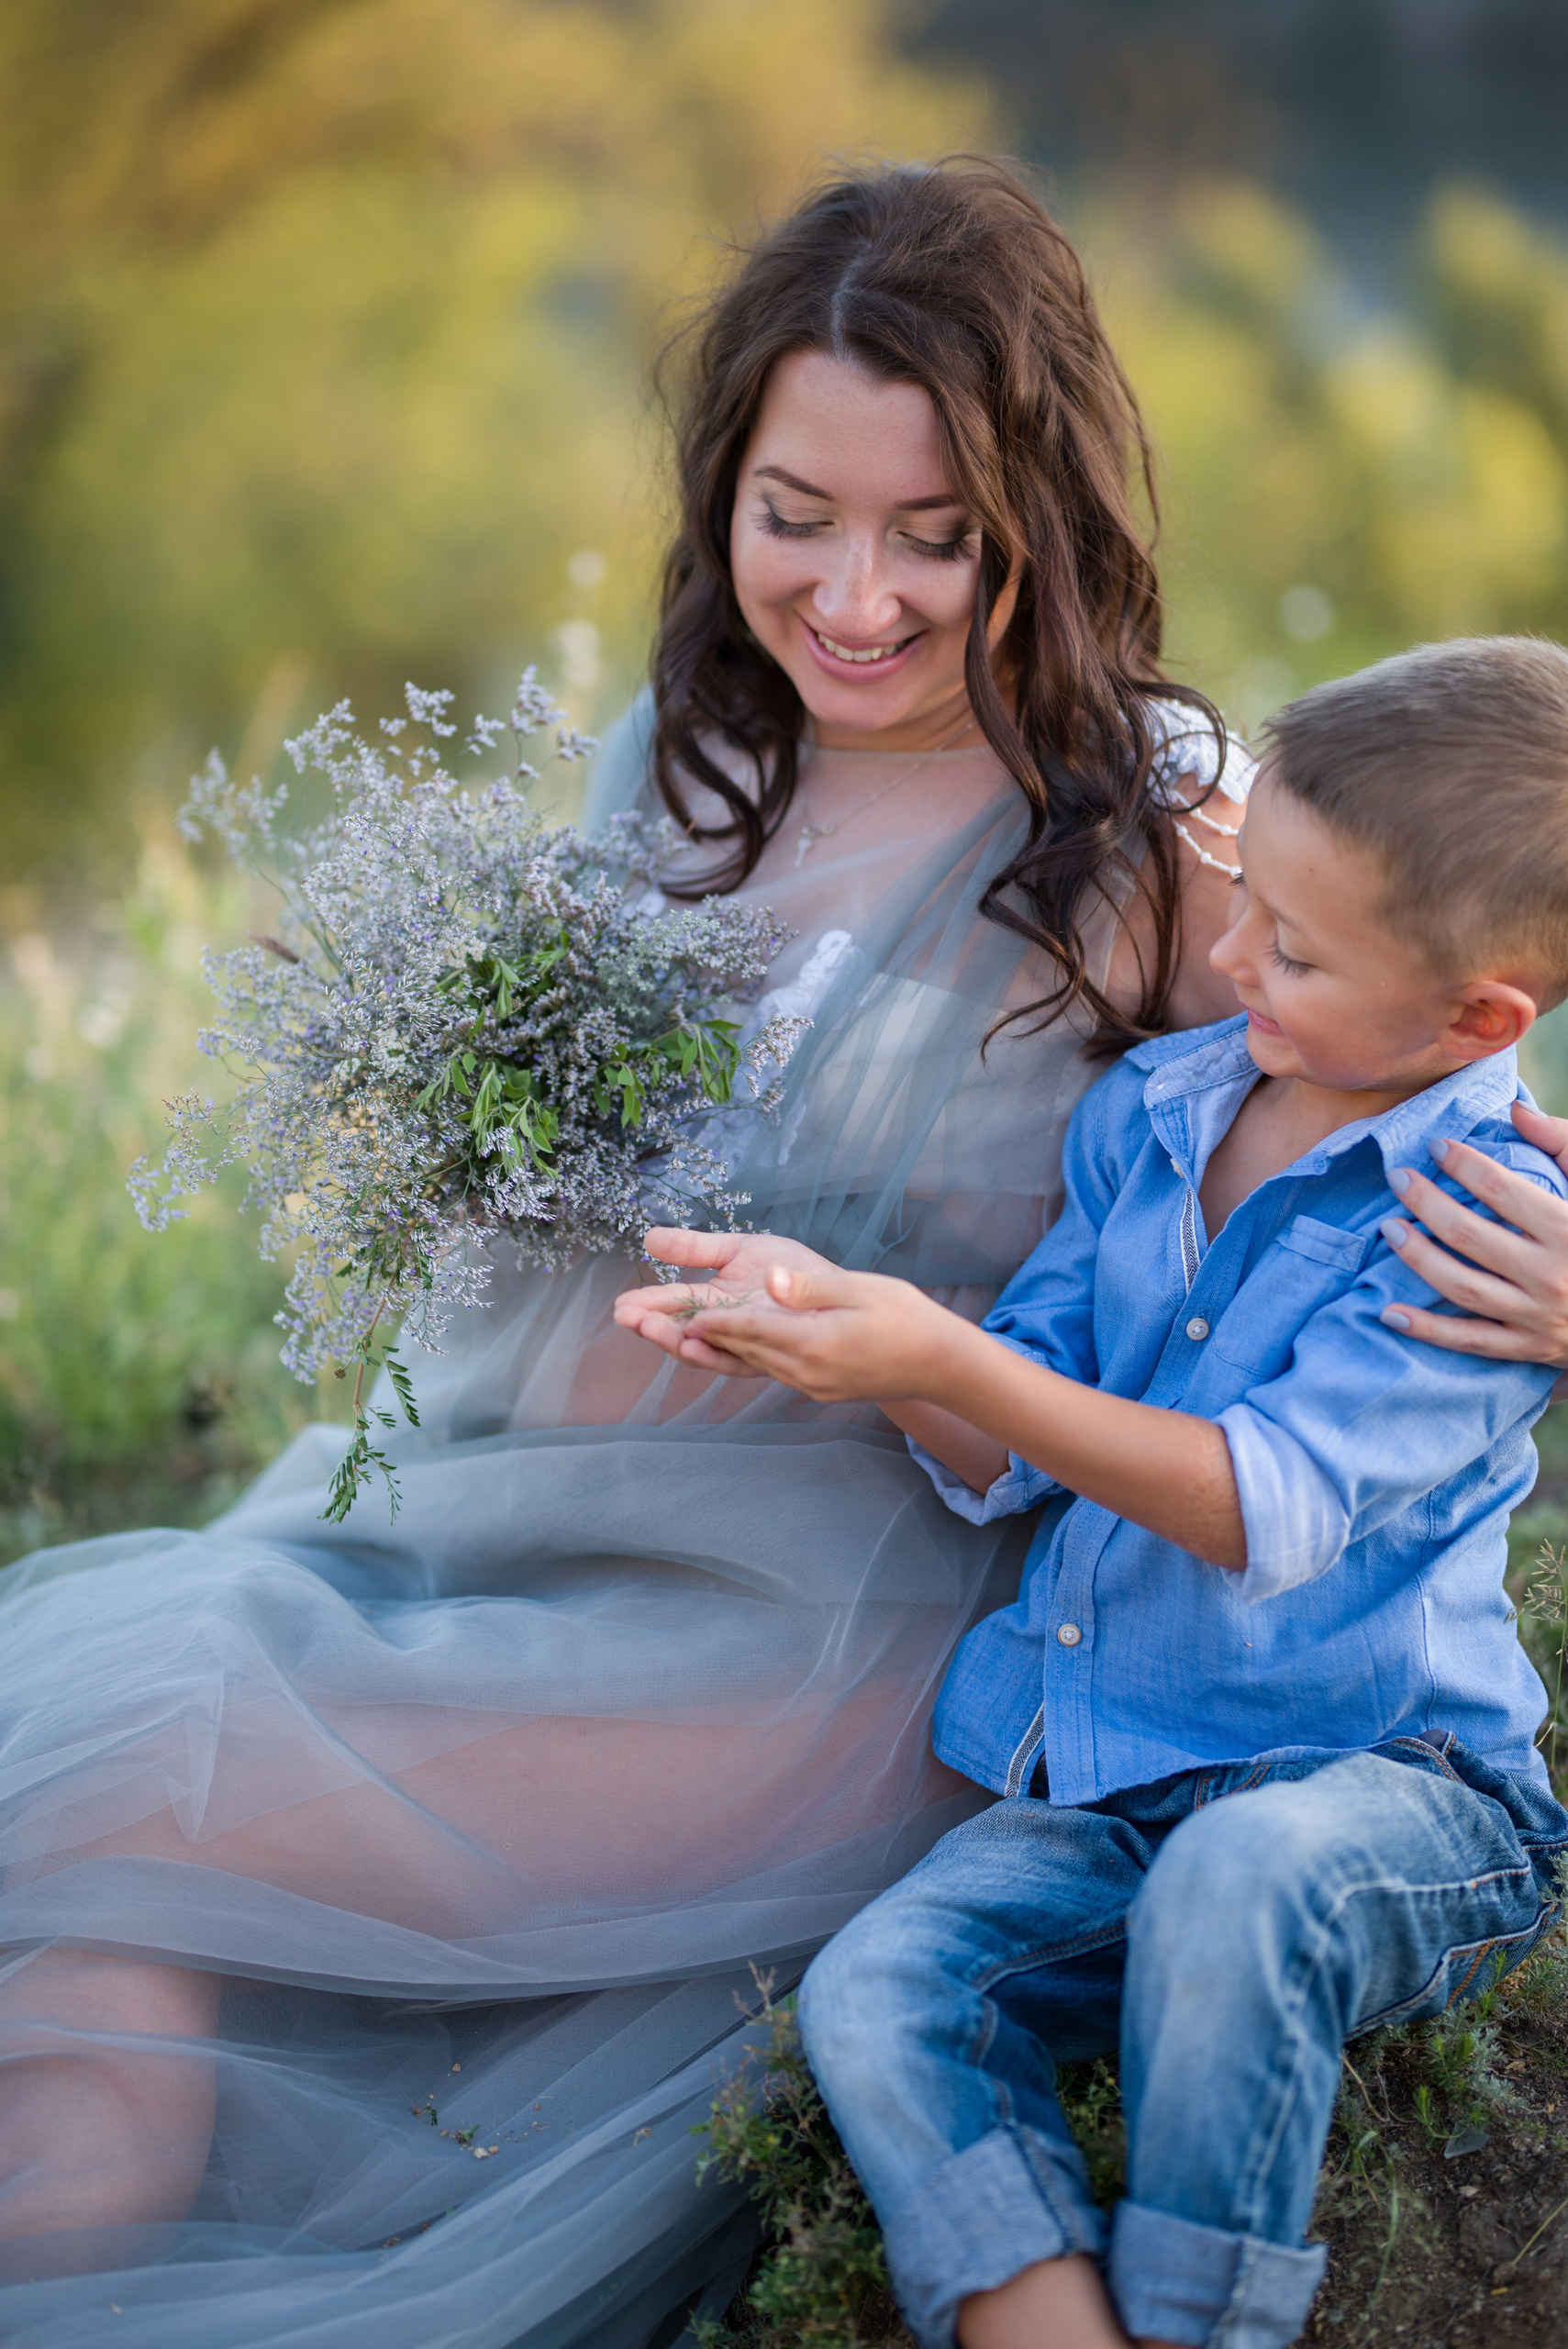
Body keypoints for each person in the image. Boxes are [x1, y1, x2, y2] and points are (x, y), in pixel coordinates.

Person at [0, 159, 1254, 2344]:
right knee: (83, 1948)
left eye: (937, 534)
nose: (854, 595)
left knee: (103, 1771)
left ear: (1039, 523)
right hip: (469, 1530)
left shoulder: (1165, 840)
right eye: (798, 513)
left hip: (817, 1640)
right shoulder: (672, 767)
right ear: (720, 489)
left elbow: (1416, 1137)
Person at [614, 635, 1568, 2349]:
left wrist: (952, 1358)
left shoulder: (1487, 1228)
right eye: (1244, 899)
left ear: (1477, 1017)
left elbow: (1259, 1505)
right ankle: (1045, 2323)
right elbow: (1015, 1430)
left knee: (1240, 1879)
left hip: (1387, 1786)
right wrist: (864, 1341)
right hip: (1109, 1784)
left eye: (1293, 947)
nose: (1230, 956)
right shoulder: (1151, 1113)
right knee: (884, 1987)